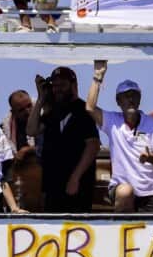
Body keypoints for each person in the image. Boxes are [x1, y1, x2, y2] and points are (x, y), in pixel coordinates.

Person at [86, 61, 153, 212]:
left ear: (139, 99)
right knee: (125, 192)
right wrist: (98, 76)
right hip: (121, 189)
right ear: (118, 101)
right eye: (125, 96)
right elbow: (90, 108)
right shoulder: (112, 122)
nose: (130, 100)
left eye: (134, 96)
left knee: (149, 235)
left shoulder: (152, 124)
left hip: (150, 193)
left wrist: (151, 158)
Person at [29, 67, 100, 213]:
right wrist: (41, 99)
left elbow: (92, 145)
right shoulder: (52, 112)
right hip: (53, 185)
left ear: (73, 85)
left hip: (77, 185)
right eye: (55, 86)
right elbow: (31, 130)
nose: (58, 89)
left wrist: (75, 177)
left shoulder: (83, 110)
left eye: (62, 85)